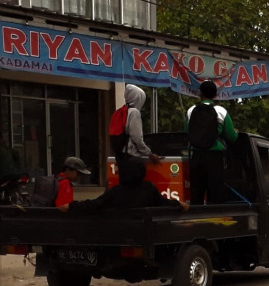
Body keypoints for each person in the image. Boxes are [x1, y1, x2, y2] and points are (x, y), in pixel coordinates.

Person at [59, 158, 188, 212]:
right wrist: (179, 204)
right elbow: (164, 203)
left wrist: (71, 206)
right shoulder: (149, 189)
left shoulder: (116, 192)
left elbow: (95, 204)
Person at [185, 80, 238, 204]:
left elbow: (187, 132)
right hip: (215, 158)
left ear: (200, 94)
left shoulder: (191, 110)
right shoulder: (221, 111)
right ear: (215, 95)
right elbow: (232, 137)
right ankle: (214, 222)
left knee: (196, 194)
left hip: (196, 157)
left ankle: (197, 220)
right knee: (215, 195)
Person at [122, 84, 159, 167]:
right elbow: (137, 138)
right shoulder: (134, 112)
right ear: (138, 99)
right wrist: (149, 153)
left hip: (122, 155)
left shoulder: (124, 111)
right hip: (132, 157)